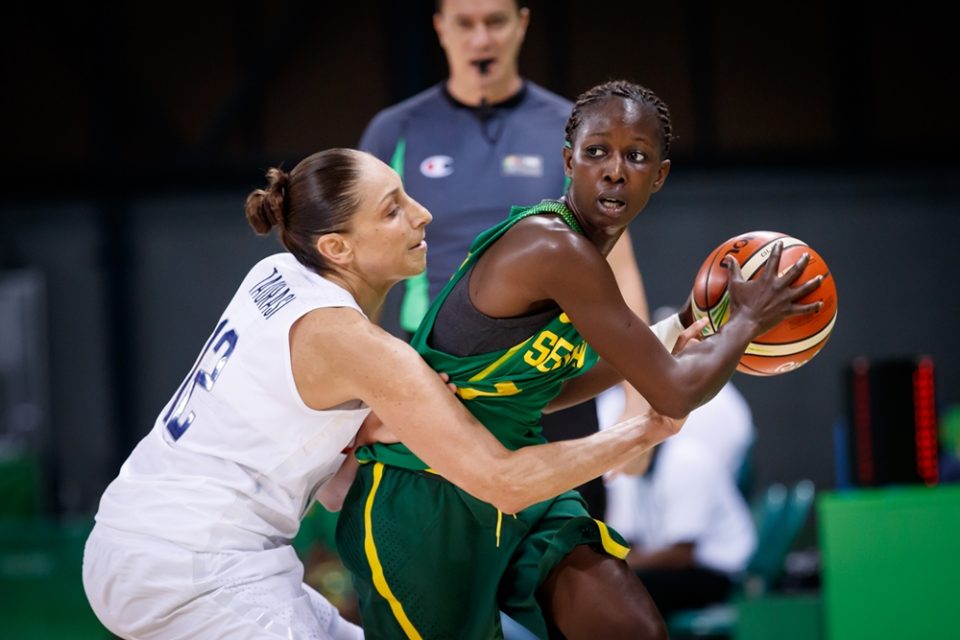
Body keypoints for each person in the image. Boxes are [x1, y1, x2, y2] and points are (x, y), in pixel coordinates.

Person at [81, 148, 688, 640]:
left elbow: (325, 476)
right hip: (193, 568)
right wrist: (644, 428)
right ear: (337, 248)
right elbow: (503, 483)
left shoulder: (273, 274)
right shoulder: (358, 347)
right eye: (392, 210)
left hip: (141, 533)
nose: (422, 214)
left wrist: (361, 433)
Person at [335, 80, 824, 639]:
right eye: (597, 152)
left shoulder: (581, 256)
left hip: (522, 489)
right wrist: (747, 323)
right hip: (421, 503)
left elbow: (547, 390)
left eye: (636, 156)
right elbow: (673, 392)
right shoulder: (554, 248)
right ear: (569, 162)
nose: (615, 170)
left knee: (634, 630)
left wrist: (686, 323)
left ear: (658, 176)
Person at [357, 0, 651, 518]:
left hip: (551, 375)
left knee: (572, 567)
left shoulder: (574, 126)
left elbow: (619, 270)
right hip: (435, 379)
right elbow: (361, 275)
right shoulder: (395, 131)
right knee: (444, 571)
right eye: (465, 24)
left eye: (495, 22)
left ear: (522, 24)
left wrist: (640, 399)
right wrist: (362, 401)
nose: (481, 39)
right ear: (440, 29)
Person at [600, 313, 758, 615]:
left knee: (627, 592)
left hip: (715, 572)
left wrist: (625, 565)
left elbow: (681, 555)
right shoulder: (632, 468)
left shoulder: (688, 462)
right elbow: (628, 537)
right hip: (676, 564)